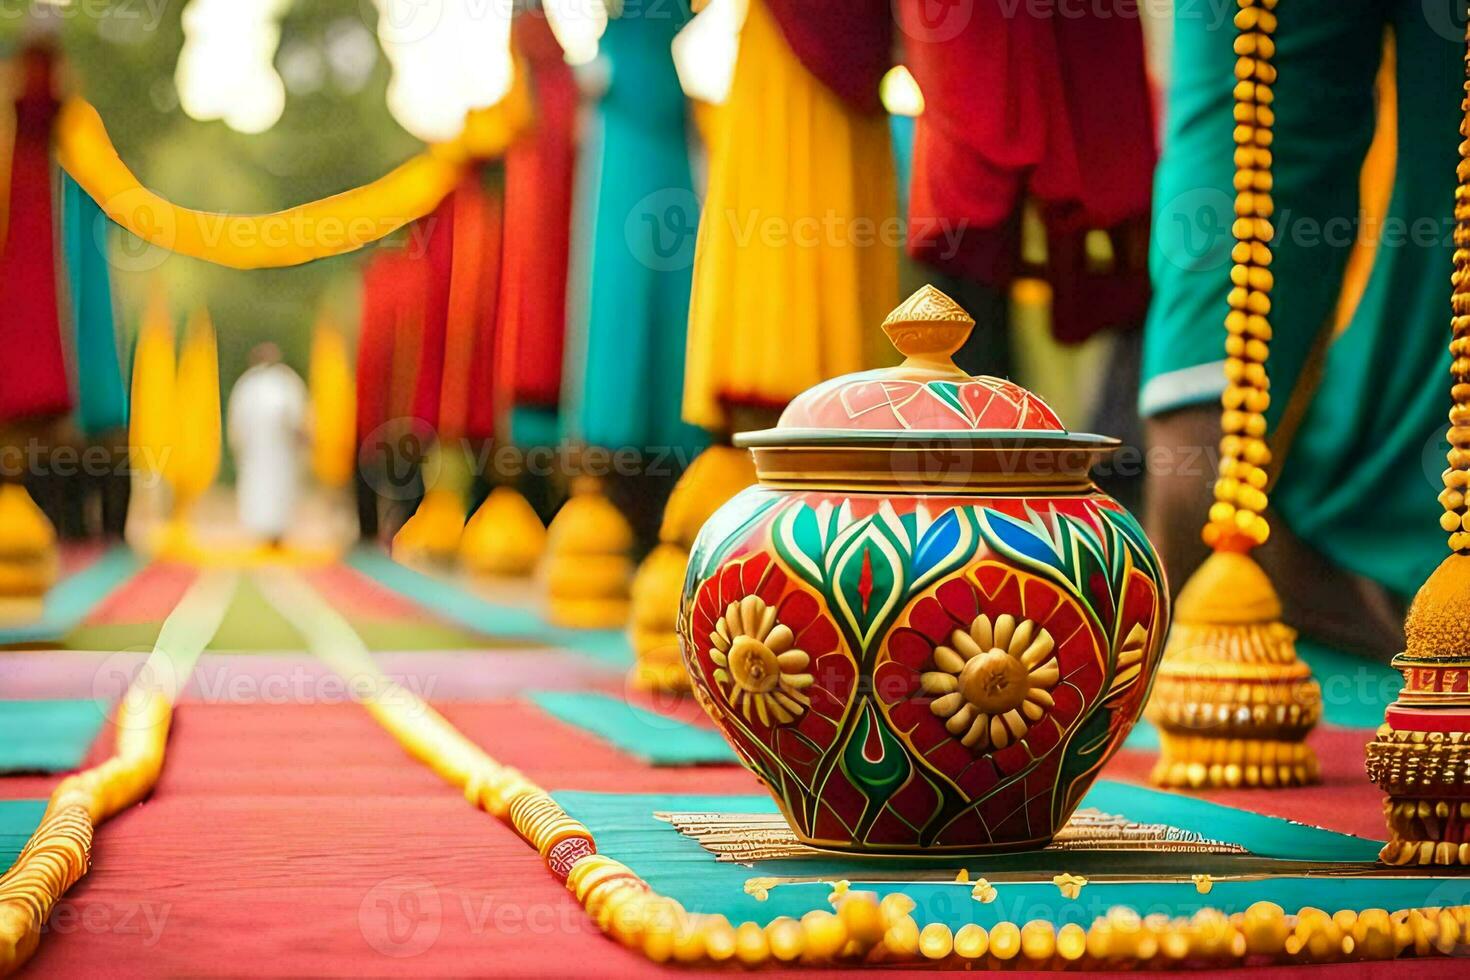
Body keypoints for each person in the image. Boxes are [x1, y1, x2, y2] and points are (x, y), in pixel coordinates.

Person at [227, 343, 307, 547]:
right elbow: (238, 419)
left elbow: (297, 416)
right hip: (256, 453)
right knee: (257, 490)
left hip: (282, 453)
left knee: (280, 490)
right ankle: (259, 533)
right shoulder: (248, 384)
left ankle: (278, 535)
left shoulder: (286, 381)